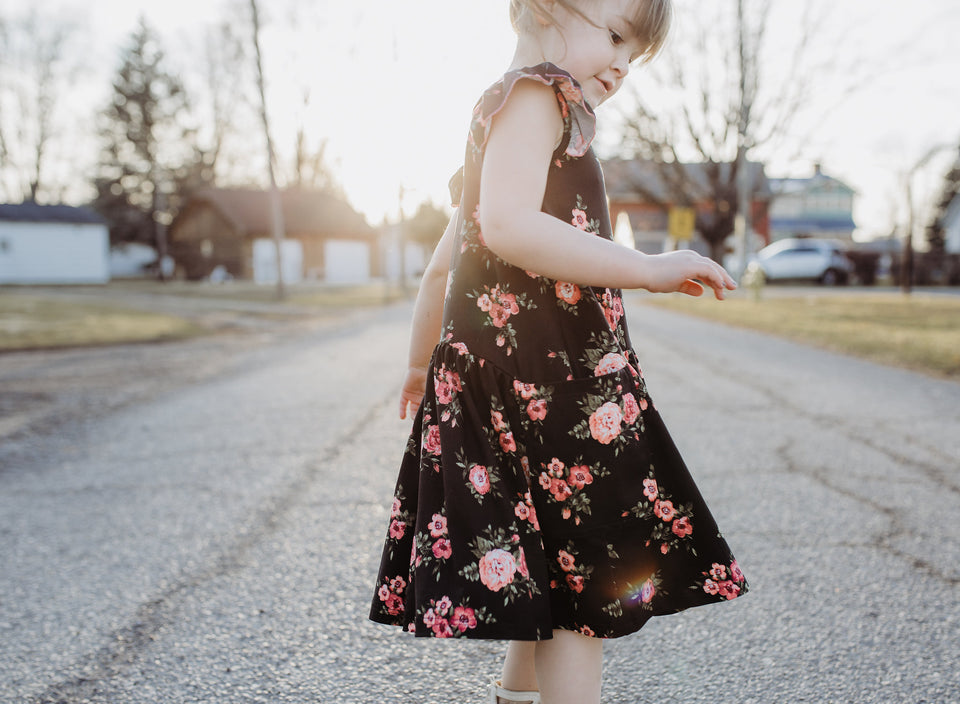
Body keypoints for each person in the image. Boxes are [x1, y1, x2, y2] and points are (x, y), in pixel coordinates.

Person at [369, 1, 748, 702]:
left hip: (513, 388)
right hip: (547, 388)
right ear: (545, 6)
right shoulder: (539, 95)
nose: (622, 65)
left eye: (635, 55)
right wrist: (648, 265)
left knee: (544, 579)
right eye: (613, 35)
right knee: (585, 592)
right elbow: (509, 227)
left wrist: (423, 366)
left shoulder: (504, 116)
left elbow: (439, 271)